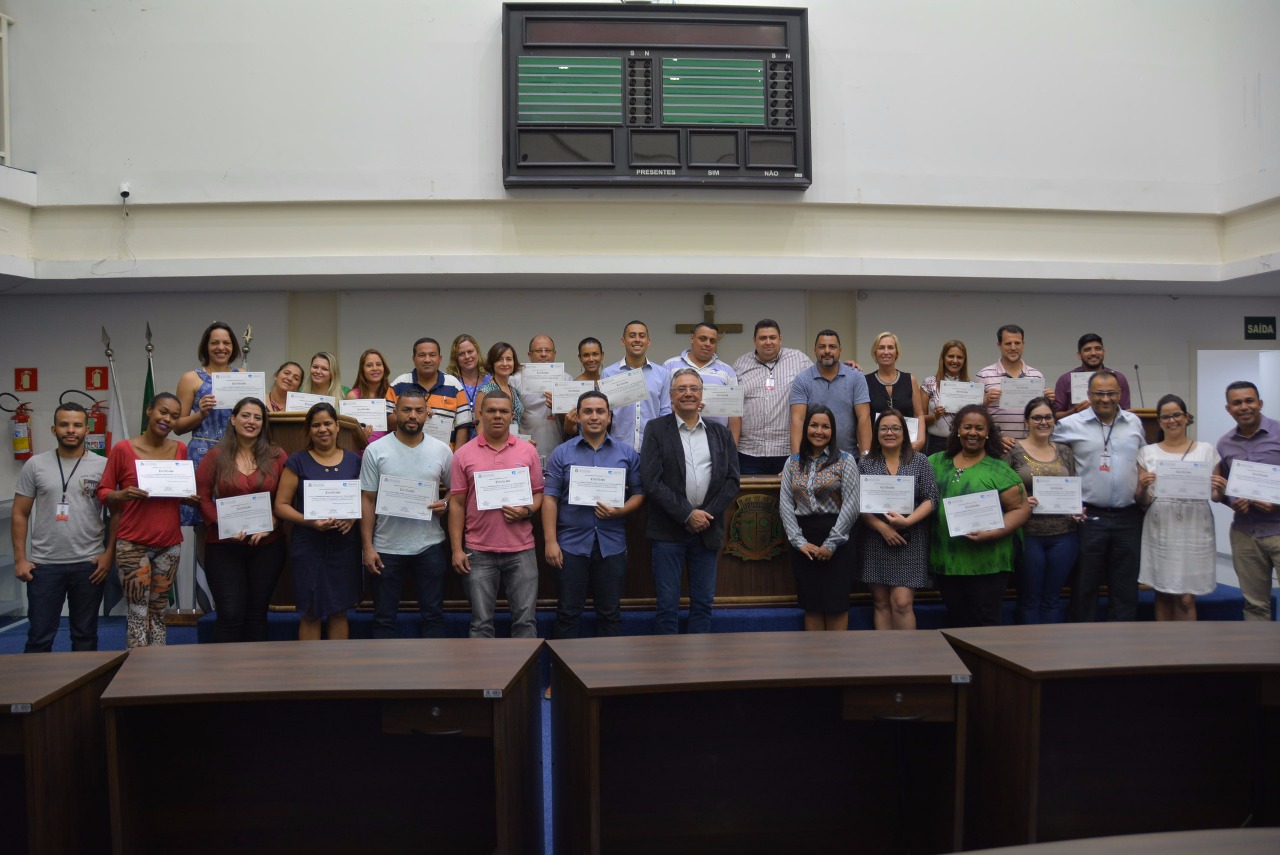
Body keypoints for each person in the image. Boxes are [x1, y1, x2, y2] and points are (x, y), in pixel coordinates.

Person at [640, 368, 741, 634]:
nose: (688, 394)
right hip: (667, 531)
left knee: (703, 604)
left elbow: (732, 481)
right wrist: (687, 514)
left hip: (707, 530)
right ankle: (669, 670)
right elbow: (651, 481)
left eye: (694, 389)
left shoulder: (720, 433)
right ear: (671, 396)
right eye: (681, 389)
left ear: (701, 395)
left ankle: (698, 668)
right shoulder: (656, 429)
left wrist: (704, 515)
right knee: (667, 606)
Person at [542, 390, 644, 639]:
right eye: (588, 411)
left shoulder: (627, 453)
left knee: (610, 613)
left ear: (609, 417)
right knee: (567, 613)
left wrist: (620, 510)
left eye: (600, 412)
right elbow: (550, 498)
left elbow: (640, 494)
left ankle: (607, 678)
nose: (594, 417)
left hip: (612, 545)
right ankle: (564, 678)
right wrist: (550, 541)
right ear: (577, 416)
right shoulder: (562, 453)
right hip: (571, 546)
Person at [12, 402, 111, 652]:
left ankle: (84, 692)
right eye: (64, 424)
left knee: (85, 637)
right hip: (44, 565)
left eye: (77, 425)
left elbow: (118, 514)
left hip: (89, 565)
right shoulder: (35, 464)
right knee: (39, 638)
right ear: (53, 429)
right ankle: (37, 691)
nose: (71, 430)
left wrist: (109, 555)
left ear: (87, 430)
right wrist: (20, 559)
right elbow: (20, 513)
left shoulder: (103, 465)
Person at [97, 393, 191, 647]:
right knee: (138, 612)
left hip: (169, 543)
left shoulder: (180, 449)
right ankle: (136, 671)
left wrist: (188, 497)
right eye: (162, 412)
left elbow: (174, 491)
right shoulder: (123, 449)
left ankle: (158, 668)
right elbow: (103, 493)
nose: (167, 419)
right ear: (149, 411)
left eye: (174, 416)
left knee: (160, 611)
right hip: (132, 544)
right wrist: (123, 494)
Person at [1052, 369, 1145, 622]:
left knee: (1125, 587)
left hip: (1129, 516)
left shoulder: (1134, 423)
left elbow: (1144, 460)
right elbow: (1039, 444)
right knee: (1085, 585)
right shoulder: (1070, 425)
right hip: (1089, 517)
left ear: (1120, 394)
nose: (1105, 399)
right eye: (1099, 393)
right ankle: (1083, 649)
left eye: (1111, 393)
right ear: (1089, 395)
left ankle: (1123, 646)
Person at [449, 390, 544, 638]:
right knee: (481, 625)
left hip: (521, 549)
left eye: (503, 411)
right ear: (480, 414)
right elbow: (457, 504)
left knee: (526, 623)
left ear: (512, 415)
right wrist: (457, 549)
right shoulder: (463, 454)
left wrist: (526, 511)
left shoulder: (528, 451)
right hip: (479, 550)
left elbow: (538, 494)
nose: (497, 416)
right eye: (491, 411)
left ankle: (525, 678)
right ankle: (484, 678)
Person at [359, 387, 452, 638]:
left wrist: (445, 504)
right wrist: (368, 547)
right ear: (395, 412)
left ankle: (435, 675)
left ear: (427, 414)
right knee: (384, 619)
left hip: (429, 546)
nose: (413, 415)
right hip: (387, 548)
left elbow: (457, 492)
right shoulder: (375, 450)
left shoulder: (442, 450)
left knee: (434, 616)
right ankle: (386, 674)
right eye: (406, 410)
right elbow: (367, 500)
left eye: (419, 410)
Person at [196, 397, 288, 643]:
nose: (252, 421)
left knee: (257, 615)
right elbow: (202, 498)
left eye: (258, 417)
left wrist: (273, 521)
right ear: (233, 419)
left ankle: (256, 677)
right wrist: (223, 524)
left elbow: (287, 498)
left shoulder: (277, 455)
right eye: (246, 415)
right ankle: (225, 677)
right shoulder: (215, 455)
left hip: (267, 547)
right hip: (224, 547)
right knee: (230, 614)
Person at [930, 404, 1030, 628]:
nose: (972, 433)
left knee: (985, 621)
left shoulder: (998, 469)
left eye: (979, 428)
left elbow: (1021, 508)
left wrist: (994, 532)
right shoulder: (936, 462)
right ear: (957, 430)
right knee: (956, 619)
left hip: (988, 562)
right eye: (967, 427)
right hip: (948, 560)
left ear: (987, 433)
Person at [273, 403, 364, 640]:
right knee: (310, 611)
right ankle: (311, 672)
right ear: (309, 430)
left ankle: (339, 673)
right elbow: (281, 506)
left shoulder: (354, 461)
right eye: (316, 425)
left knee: (339, 610)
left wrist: (352, 516)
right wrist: (310, 521)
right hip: (309, 545)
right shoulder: (298, 460)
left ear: (337, 426)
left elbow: (364, 500)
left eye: (327, 423)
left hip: (344, 546)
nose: (322, 429)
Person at [1136, 394, 1224, 621]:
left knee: (1186, 598)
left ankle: (1189, 653)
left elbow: (1215, 497)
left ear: (1186, 418)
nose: (1172, 420)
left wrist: (1220, 488)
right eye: (1166, 417)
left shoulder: (1206, 450)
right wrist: (1143, 487)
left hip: (1195, 526)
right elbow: (1141, 500)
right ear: (1159, 422)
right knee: (1163, 593)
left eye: (1177, 415)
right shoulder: (1147, 452)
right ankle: (1165, 653)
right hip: (1162, 525)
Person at [779, 405, 859, 631]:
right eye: (814, 425)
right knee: (811, 605)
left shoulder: (845, 461)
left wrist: (831, 544)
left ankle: (837, 663)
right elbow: (785, 503)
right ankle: (814, 664)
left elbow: (852, 504)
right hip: (804, 541)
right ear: (805, 428)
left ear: (833, 431)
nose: (819, 431)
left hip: (838, 538)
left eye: (825, 426)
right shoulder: (792, 462)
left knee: (836, 605)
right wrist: (799, 542)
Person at [859, 408, 937, 630]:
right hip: (876, 540)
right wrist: (883, 528)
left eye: (895, 428)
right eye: (884, 428)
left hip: (909, 540)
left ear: (904, 432)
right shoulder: (866, 463)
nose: (889, 432)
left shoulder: (920, 461)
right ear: (876, 433)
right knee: (881, 602)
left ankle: (906, 659)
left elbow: (931, 499)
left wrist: (906, 522)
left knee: (902, 603)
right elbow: (859, 504)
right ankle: (884, 659)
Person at [1004, 397, 1080, 624]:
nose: (1043, 422)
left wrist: (1077, 509)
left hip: (1064, 534)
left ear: (1055, 421)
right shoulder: (1012, 449)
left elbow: (1073, 484)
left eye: (1048, 417)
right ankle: (1027, 654)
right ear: (1026, 421)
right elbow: (1001, 490)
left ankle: (1051, 654)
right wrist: (1021, 498)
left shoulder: (1065, 451)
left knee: (1052, 599)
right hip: (1028, 534)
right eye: (1037, 417)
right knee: (1029, 599)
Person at [1215, 381, 1280, 621]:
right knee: (1254, 606)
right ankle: (1260, 658)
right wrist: (1232, 501)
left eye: (1249, 401)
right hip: (1245, 534)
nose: (1244, 407)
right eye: (1237, 403)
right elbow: (1223, 487)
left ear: (1260, 403)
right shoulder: (1224, 444)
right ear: (1228, 409)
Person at [174, 321, 242, 533]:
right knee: (205, 523)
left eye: (226, 343)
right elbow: (177, 426)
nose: (221, 348)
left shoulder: (242, 376)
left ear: (233, 347)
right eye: (215, 343)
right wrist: (201, 414)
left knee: (235, 515)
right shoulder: (191, 378)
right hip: (203, 454)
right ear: (206, 346)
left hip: (236, 453)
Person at [732, 319, 812, 474]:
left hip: (786, 451)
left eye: (772, 337)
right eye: (762, 338)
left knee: (785, 498)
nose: (768, 342)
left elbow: (820, 376)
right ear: (754, 340)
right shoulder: (740, 365)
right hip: (749, 451)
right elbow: (733, 407)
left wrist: (845, 366)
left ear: (780, 339)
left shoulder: (799, 360)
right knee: (750, 498)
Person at [789, 329, 871, 458]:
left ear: (840, 350)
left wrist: (866, 458)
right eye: (822, 347)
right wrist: (795, 460)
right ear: (815, 350)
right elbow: (797, 420)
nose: (827, 351)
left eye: (832, 346)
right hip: (812, 458)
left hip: (848, 458)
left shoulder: (856, 377)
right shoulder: (802, 380)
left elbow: (864, 418)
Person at [976, 324, 1051, 449]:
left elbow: (1041, 412)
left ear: (1023, 344)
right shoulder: (984, 375)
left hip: (1030, 447)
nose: (1013, 347)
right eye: (1008, 343)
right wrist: (986, 400)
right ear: (999, 345)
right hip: (996, 445)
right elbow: (974, 414)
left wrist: (1049, 401)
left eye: (1017, 343)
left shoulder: (1036, 376)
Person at [390, 337, 471, 448]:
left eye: (432, 355)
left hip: (444, 457)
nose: (427, 360)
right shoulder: (399, 384)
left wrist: (456, 456)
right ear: (414, 359)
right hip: (404, 453)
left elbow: (463, 425)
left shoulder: (454, 385)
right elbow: (388, 421)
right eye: (422, 355)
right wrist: (416, 413)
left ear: (440, 358)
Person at [601, 320, 670, 448]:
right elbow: (604, 413)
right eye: (632, 336)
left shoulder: (663, 374)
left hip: (652, 447)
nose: (637, 339)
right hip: (618, 447)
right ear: (623, 341)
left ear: (648, 341)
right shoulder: (609, 373)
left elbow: (665, 412)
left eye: (642, 336)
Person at [663, 321, 740, 434]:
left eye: (712, 341)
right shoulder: (669, 366)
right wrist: (687, 407)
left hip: (717, 438)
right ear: (692, 338)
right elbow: (662, 405)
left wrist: (733, 448)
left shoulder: (727, 371)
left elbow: (734, 414)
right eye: (702, 339)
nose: (707, 344)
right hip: (676, 435)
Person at [865, 331, 926, 452]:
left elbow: (919, 414)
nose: (886, 352)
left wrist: (921, 441)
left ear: (896, 353)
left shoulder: (910, 379)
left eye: (890, 348)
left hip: (909, 447)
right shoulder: (865, 381)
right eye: (881, 348)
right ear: (875, 353)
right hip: (878, 449)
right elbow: (864, 418)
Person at [1053, 334, 1132, 415]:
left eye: (1098, 349)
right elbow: (1056, 416)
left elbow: (1126, 413)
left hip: (1112, 426)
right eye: (1087, 350)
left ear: (1103, 352)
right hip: (1076, 426)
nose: (1093, 353)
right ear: (1079, 355)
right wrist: (1074, 412)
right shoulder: (1065, 379)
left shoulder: (1118, 378)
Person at [519, 334, 569, 461]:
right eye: (538, 350)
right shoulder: (515, 380)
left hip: (557, 449)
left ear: (554, 354)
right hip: (524, 450)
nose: (543, 354)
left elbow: (574, 424)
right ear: (529, 355)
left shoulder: (566, 380)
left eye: (547, 350)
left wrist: (560, 406)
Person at [921, 340, 969, 456]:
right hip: (935, 443)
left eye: (959, 357)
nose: (955, 361)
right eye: (951, 356)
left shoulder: (970, 387)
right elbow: (919, 418)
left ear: (964, 360)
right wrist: (935, 416)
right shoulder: (929, 383)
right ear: (943, 358)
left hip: (962, 443)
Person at [344, 347, 395, 443]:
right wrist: (359, 436)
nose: (375, 368)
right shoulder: (352, 396)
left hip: (388, 453)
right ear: (362, 370)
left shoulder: (393, 393)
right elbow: (346, 433)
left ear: (384, 368)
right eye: (369, 365)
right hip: (359, 452)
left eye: (378, 364)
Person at [476, 341, 525, 432]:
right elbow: (480, 431)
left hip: (515, 443)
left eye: (509, 359)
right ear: (492, 363)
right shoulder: (484, 392)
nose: (505, 363)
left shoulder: (514, 391)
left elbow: (517, 423)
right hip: (495, 444)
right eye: (499, 359)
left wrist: (525, 442)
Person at [448, 334, 488, 440]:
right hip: (455, 441)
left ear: (477, 352)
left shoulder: (491, 382)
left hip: (486, 442)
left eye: (470, 352)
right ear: (455, 358)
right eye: (461, 354)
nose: (467, 357)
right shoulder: (450, 383)